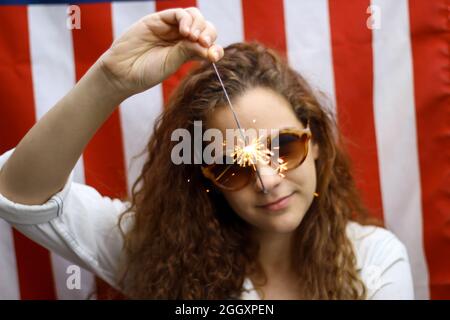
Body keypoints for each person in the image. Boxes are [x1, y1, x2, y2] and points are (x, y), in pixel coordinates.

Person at [0, 7, 414, 300]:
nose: (268, 181)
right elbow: (19, 194)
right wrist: (110, 79)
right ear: (207, 178)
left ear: (315, 139)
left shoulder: (375, 261)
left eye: (283, 148)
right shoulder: (160, 252)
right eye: (233, 165)